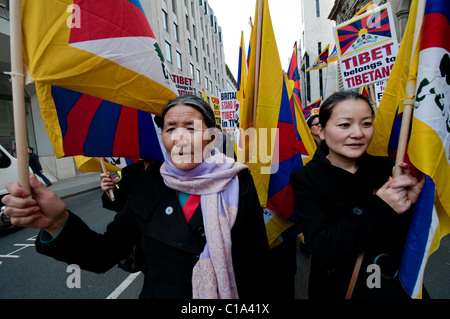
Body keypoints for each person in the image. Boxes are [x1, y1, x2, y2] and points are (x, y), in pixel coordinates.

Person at [3, 95, 269, 299]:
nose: (180, 137)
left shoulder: (237, 182)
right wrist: (57, 222)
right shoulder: (149, 184)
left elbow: (258, 265)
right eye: (170, 128)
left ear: (211, 137)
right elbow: (104, 254)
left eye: (191, 127)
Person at [290, 91, 425, 299]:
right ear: (322, 131)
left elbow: (408, 241)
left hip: (395, 286)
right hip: (344, 289)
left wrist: (413, 204)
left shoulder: (389, 168)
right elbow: (323, 247)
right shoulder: (306, 178)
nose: (358, 133)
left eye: (366, 124)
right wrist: (379, 205)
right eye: (345, 125)